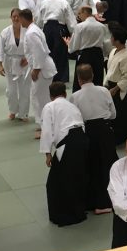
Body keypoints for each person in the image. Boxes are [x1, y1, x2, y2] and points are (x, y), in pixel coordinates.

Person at [40, 82, 89, 226]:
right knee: (78, 176)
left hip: (68, 142)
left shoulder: (50, 106)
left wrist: (47, 154)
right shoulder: (72, 106)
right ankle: (79, 210)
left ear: (51, 96)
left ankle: (65, 214)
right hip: (82, 139)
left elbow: (47, 131)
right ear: (65, 94)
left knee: (57, 181)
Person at [71, 64, 118, 214]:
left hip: (88, 132)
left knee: (92, 167)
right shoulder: (104, 91)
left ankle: (95, 202)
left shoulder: (75, 96)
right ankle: (112, 200)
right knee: (109, 165)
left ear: (79, 79)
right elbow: (113, 114)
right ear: (93, 76)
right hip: (105, 130)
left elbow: (75, 119)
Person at [20, 8, 57, 135]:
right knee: (40, 97)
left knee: (41, 98)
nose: (19, 22)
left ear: (24, 19)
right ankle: (44, 124)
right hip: (43, 65)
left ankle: (46, 127)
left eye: (20, 19)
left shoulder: (31, 33)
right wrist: (28, 59)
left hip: (42, 68)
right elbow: (35, 51)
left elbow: (39, 51)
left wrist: (36, 69)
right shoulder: (34, 29)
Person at [0, 7, 31, 122]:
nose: (16, 18)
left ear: (21, 17)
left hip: (24, 64)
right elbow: (0, 49)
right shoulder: (5, 32)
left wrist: (27, 58)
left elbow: (32, 48)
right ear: (11, 18)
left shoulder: (27, 31)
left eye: (18, 16)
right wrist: (0, 64)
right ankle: (13, 110)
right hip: (9, 63)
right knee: (10, 91)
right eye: (14, 16)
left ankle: (24, 113)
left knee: (24, 90)